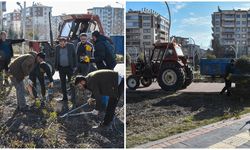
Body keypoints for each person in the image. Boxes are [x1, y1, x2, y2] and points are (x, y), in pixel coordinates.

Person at [55, 37, 76, 110]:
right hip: (61, 68)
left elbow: (74, 56)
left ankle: (73, 98)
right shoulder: (57, 47)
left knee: (72, 83)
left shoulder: (71, 46)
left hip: (69, 67)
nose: (61, 44)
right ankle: (65, 98)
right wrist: (56, 66)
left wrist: (75, 66)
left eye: (63, 42)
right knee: (62, 83)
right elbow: (56, 57)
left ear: (66, 42)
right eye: (60, 43)